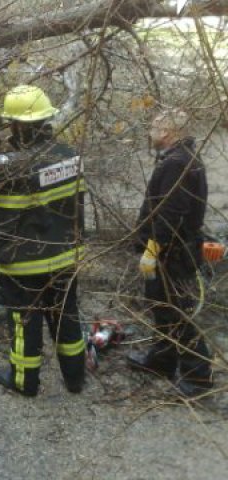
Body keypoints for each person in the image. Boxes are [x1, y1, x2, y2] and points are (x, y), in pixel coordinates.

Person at [0, 85, 86, 396]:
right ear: (47, 120)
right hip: (65, 256)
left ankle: (24, 381)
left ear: (15, 125)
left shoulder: (11, 165)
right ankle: (75, 379)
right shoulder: (70, 156)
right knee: (66, 317)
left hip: (23, 262)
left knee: (24, 323)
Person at [127, 108, 213, 398]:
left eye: (154, 127)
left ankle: (198, 376)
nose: (151, 131)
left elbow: (170, 215)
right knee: (160, 305)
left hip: (172, 253)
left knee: (175, 311)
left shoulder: (178, 163)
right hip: (174, 250)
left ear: (166, 132)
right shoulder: (181, 158)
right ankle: (162, 360)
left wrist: (152, 250)